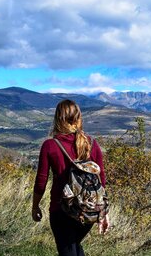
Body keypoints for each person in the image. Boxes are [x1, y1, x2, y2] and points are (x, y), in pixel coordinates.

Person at [32, 99, 110, 256]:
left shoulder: (50, 145)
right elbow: (101, 181)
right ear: (78, 118)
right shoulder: (92, 143)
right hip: (88, 210)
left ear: (58, 118)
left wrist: (35, 206)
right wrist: (103, 212)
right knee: (74, 249)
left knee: (69, 250)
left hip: (61, 210)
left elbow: (41, 181)